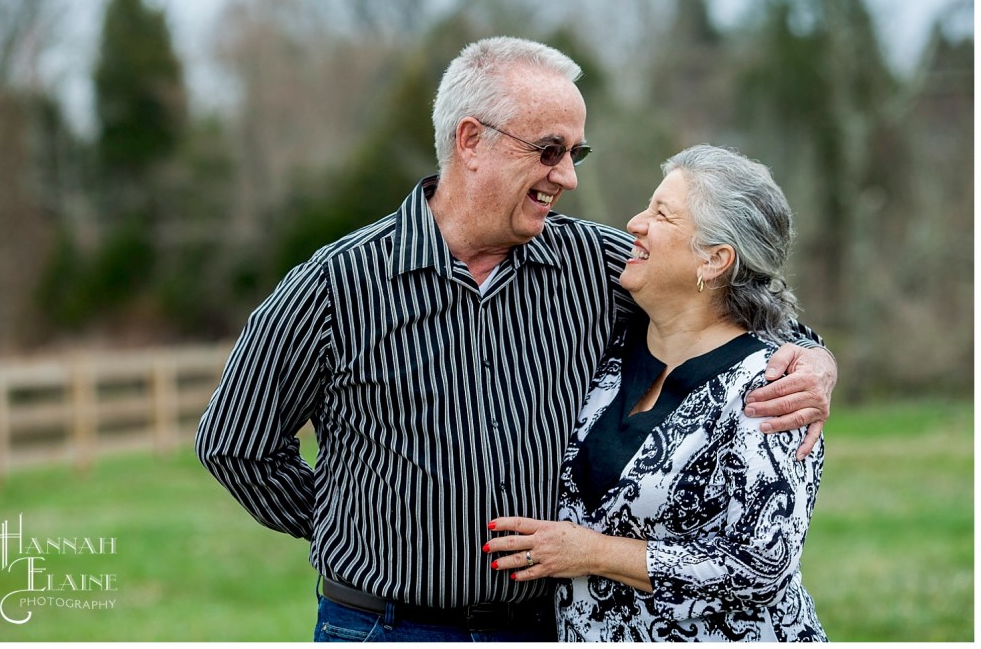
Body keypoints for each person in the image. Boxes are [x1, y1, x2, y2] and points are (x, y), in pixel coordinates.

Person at [195, 37, 837, 642]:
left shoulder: (593, 265)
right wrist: (347, 527)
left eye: (576, 155)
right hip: (383, 627)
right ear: (471, 140)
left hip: (539, 625)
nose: (568, 177)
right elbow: (235, 443)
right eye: (550, 150)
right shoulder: (338, 284)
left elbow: (727, 307)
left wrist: (816, 361)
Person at [485, 144, 828, 642]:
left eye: (662, 215)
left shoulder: (775, 385)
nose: (635, 223)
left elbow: (760, 566)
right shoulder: (608, 348)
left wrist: (590, 551)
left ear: (714, 260)